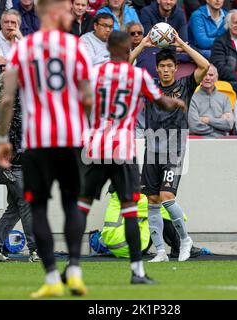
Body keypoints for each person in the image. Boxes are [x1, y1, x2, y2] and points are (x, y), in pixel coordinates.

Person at [0, 0, 94, 299]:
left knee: (37, 207)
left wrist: (2, 139)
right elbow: (89, 95)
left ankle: (52, 276)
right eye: (65, 9)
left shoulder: (23, 49)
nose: (69, 14)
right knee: (71, 203)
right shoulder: (76, 47)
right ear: (53, 12)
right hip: (71, 138)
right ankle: (74, 270)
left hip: (37, 140)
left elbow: (7, 99)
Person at [80, 31, 186, 281]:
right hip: (123, 150)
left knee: (82, 206)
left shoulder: (94, 73)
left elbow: (79, 102)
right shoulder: (136, 76)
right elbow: (161, 101)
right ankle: (137, 272)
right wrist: (177, 104)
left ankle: (72, 267)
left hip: (95, 147)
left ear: (108, 48)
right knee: (129, 208)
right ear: (127, 48)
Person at [130, 31, 210, 263]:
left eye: (169, 66)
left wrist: (182, 44)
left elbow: (205, 65)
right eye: (161, 66)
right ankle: (161, 252)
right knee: (152, 201)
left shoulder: (185, 84)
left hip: (174, 147)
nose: (165, 70)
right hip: (152, 148)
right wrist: (143, 44)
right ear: (157, 68)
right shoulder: (150, 86)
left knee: (166, 196)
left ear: (175, 68)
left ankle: (185, 240)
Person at [0, 72, 40, 263]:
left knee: (15, 208)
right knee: (26, 202)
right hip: (6, 161)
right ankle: (34, 250)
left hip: (26, 158)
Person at [188, 64, 234, 137]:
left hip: (221, 142)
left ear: (216, 78)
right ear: (199, 77)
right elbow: (194, 127)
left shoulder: (225, 98)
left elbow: (229, 125)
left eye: (211, 75)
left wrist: (208, 120)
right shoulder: (191, 98)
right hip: (200, 142)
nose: (207, 78)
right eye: (204, 75)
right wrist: (219, 126)